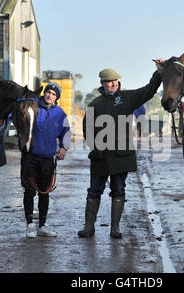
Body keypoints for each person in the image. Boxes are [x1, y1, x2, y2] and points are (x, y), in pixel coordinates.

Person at [79, 65, 163, 239]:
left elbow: (149, 90)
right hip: (100, 157)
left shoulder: (128, 98)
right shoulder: (95, 104)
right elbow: (87, 129)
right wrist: (96, 147)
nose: (114, 84)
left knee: (119, 190)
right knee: (94, 190)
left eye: (115, 81)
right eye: (110, 82)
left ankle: (115, 228)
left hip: (121, 156)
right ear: (102, 83)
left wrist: (159, 73)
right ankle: (89, 227)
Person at [21, 82, 71, 238]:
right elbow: (16, 115)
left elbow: (66, 132)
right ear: (45, 93)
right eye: (48, 92)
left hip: (48, 159)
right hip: (30, 156)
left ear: (57, 98)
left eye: (54, 94)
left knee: (44, 192)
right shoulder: (33, 106)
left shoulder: (60, 114)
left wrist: (63, 148)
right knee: (29, 191)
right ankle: (30, 225)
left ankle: (42, 225)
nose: (50, 95)